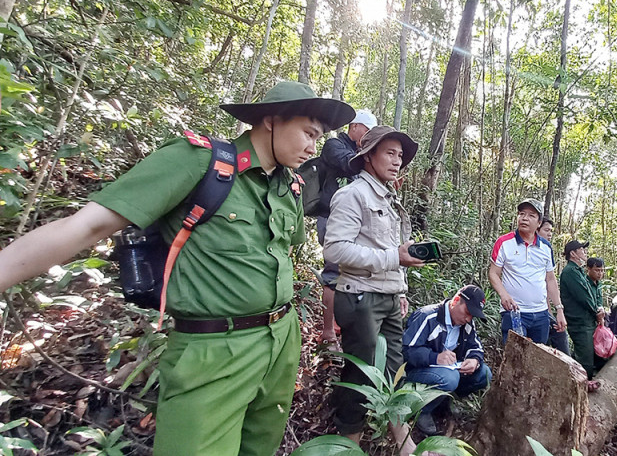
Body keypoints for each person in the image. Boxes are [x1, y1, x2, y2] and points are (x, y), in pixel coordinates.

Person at [0, 81, 355, 455]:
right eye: (308, 133)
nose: (314, 148)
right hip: (213, 349)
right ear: (270, 120)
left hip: (282, 342)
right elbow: (87, 225)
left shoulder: (291, 186)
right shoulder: (200, 162)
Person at [323, 125, 424, 455]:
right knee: (359, 373)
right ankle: (348, 445)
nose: (397, 162)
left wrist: (402, 289)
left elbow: (395, 249)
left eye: (400, 156)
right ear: (368, 156)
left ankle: (404, 442)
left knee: (394, 371)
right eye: (389, 153)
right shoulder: (353, 195)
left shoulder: (388, 196)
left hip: (389, 297)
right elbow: (335, 250)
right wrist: (394, 257)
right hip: (360, 296)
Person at [317, 110, 377, 348]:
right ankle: (328, 333)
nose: (369, 136)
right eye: (367, 131)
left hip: (356, 220)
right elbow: (348, 165)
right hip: (331, 216)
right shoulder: (334, 146)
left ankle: (347, 325)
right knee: (333, 273)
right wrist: (374, 157)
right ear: (354, 127)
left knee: (355, 272)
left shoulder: (359, 152)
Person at [402, 285, 492, 436]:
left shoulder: (467, 324)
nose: (468, 318)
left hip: (448, 371)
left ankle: (443, 401)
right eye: (467, 312)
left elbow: (476, 347)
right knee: (450, 378)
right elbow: (407, 350)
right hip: (416, 371)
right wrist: (435, 358)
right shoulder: (428, 316)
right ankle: (422, 410)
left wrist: (474, 360)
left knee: (484, 374)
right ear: (456, 300)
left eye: (472, 316)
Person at [489, 199, 566, 345]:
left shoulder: (545, 247)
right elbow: (493, 273)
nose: (524, 218)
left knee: (538, 358)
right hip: (514, 313)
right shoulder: (504, 243)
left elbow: (550, 279)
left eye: (531, 215)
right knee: (515, 358)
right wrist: (503, 294)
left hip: (541, 313)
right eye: (521, 214)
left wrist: (559, 309)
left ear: (539, 223)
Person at [559, 240, 604, 390]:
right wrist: (596, 312)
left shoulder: (578, 271)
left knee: (591, 355)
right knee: (585, 358)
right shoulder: (570, 272)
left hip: (587, 321)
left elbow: (591, 294)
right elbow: (583, 297)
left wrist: (599, 309)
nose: (584, 252)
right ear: (573, 253)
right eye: (581, 249)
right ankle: (581, 388)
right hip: (579, 322)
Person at [537, 217, 569, 356]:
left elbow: (549, 280)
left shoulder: (546, 248)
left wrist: (554, 310)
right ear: (536, 229)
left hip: (545, 309)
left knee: (559, 334)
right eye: (546, 230)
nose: (549, 234)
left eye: (551, 231)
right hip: (530, 309)